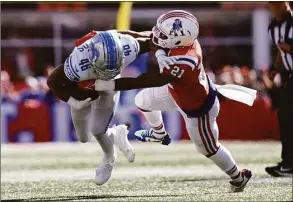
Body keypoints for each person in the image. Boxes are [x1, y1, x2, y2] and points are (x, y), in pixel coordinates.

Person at [93, 10, 252, 192]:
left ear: (179, 40)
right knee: (142, 100)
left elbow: (147, 80)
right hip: (176, 91)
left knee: (208, 149)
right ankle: (159, 133)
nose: (157, 34)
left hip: (198, 108)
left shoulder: (185, 60)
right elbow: (146, 37)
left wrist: (108, 84)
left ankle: (238, 177)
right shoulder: (183, 41)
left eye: (164, 34)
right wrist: (111, 35)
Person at [47, 29, 157, 185]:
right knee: (84, 137)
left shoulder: (129, 47)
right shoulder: (77, 64)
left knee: (97, 130)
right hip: (81, 93)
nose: (108, 72)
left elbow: (151, 41)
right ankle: (116, 134)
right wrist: (75, 102)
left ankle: (109, 157)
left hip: (106, 89)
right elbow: (53, 82)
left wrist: (164, 49)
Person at [265, 2, 293, 177]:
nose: (278, 7)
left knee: (287, 117)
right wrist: (275, 68)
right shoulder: (273, 27)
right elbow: (280, 53)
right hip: (289, 77)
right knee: (285, 118)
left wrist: (289, 48)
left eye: (281, 3)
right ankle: (288, 163)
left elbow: (285, 49)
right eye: (274, 4)